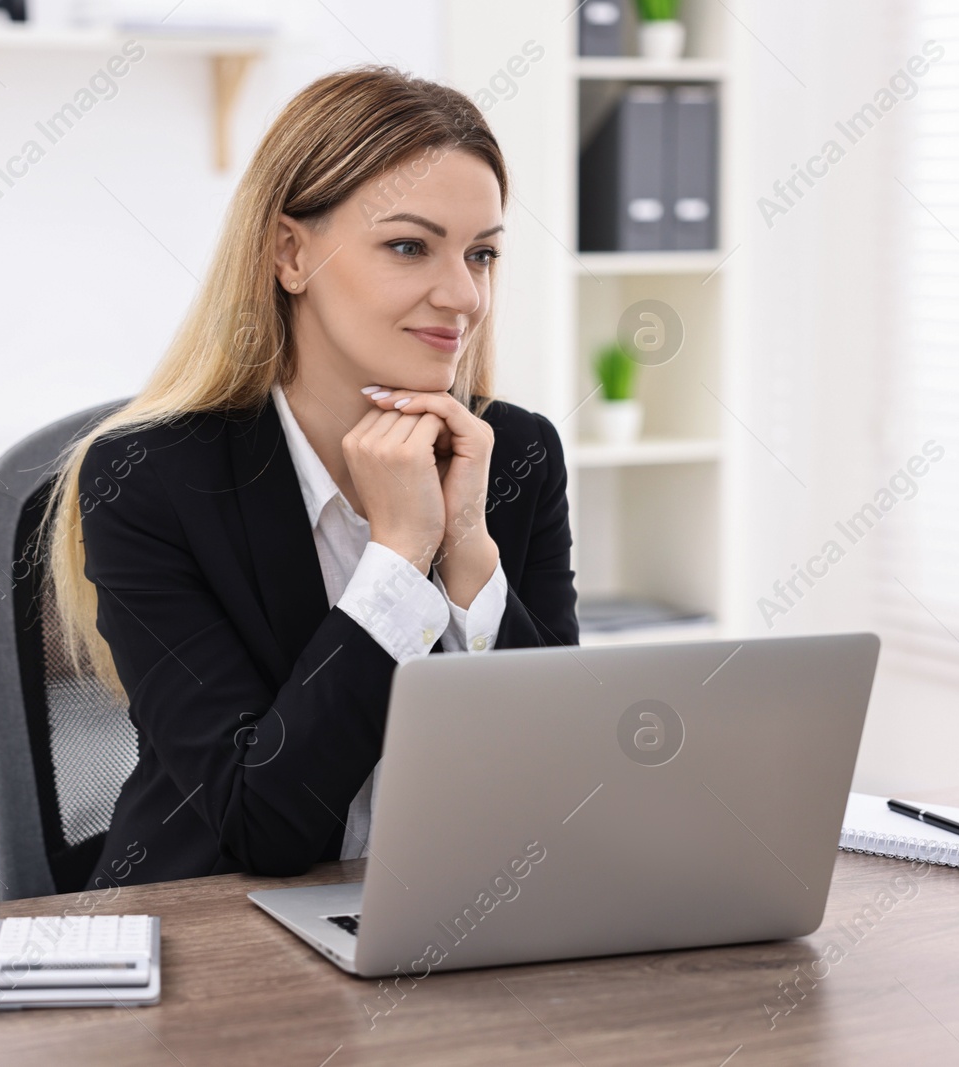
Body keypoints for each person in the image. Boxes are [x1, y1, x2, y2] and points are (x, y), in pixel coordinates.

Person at [45, 65, 579, 890]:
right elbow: (265, 825)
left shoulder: (515, 456)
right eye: (409, 246)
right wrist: (401, 559)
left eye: (482, 254)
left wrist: (467, 547)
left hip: (450, 926)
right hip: (223, 938)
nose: (462, 294)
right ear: (291, 253)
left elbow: (560, 794)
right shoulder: (148, 482)